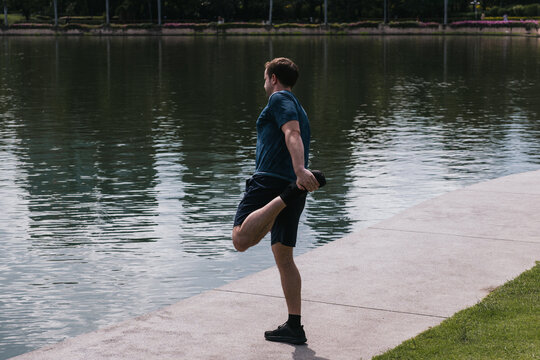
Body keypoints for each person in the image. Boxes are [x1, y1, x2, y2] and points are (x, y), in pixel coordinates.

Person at [232, 57, 326, 345]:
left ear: (273, 77)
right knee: (284, 257)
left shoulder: (279, 98)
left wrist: (299, 171)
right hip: (291, 185)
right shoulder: (298, 105)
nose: (264, 83)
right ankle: (294, 326)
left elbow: (291, 133)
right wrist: (298, 176)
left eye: (264, 77)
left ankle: (290, 194)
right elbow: (294, 131)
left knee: (240, 239)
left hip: (272, 182)